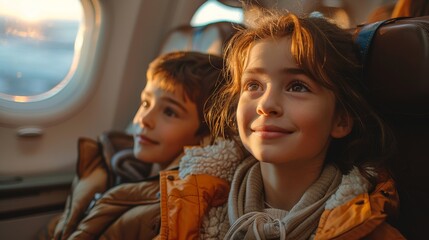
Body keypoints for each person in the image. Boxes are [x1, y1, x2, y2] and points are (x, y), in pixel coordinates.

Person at [206, 9, 406, 239]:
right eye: (253, 85)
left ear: (341, 119)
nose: (266, 104)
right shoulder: (186, 206)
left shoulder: (374, 234)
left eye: (297, 87)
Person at [39, 51, 243, 239]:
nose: (144, 119)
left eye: (169, 112)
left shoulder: (178, 205)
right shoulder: (112, 164)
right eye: (146, 103)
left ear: (208, 133)